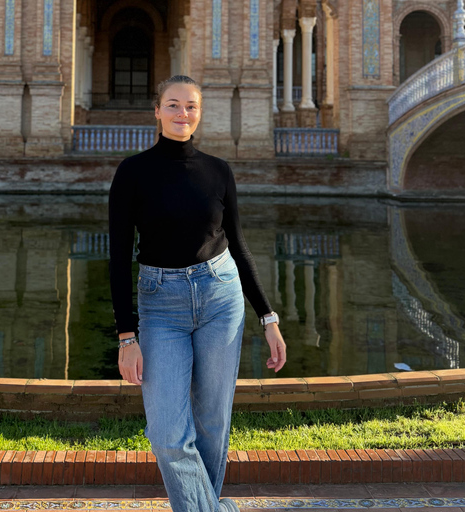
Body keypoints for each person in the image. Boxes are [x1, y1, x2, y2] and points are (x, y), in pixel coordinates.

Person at [108, 75, 287, 512]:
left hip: (220, 296)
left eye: (190, 106)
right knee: (167, 434)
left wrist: (269, 318)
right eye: (173, 104)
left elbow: (238, 245)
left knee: (212, 423)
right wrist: (127, 337)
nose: (182, 113)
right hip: (160, 303)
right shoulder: (132, 172)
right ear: (157, 111)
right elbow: (117, 256)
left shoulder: (218, 171)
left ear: (200, 113)